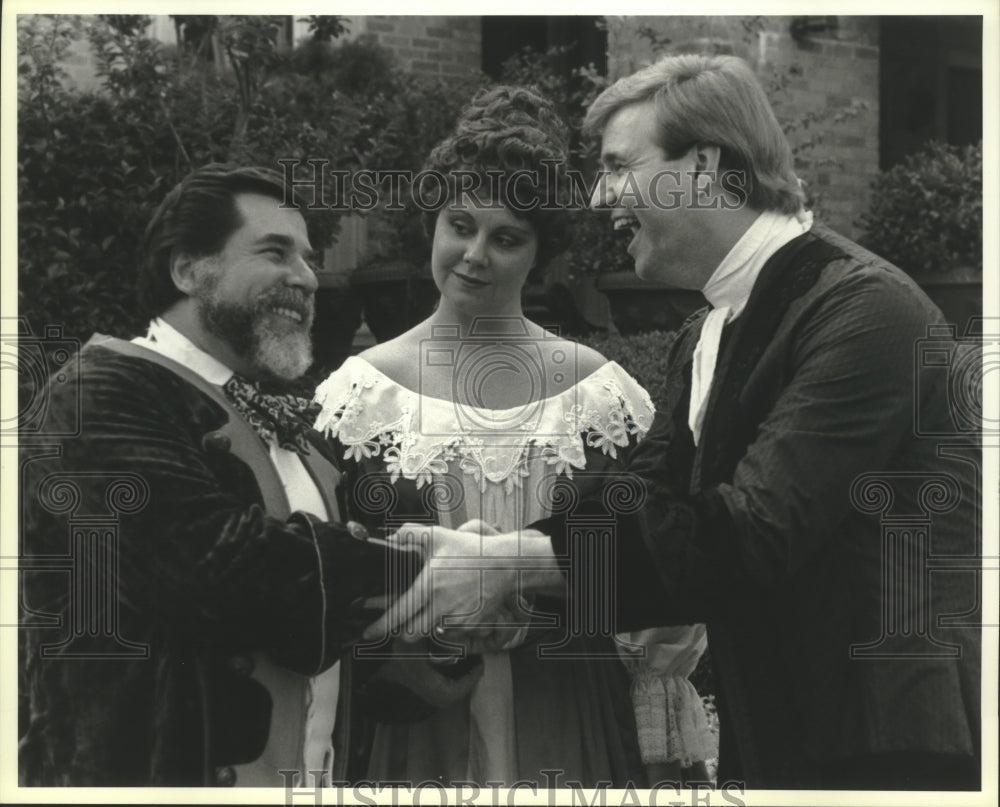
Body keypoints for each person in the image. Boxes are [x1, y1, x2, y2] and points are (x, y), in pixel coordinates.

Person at [373, 55, 982, 790]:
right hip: (780, 733)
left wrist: (509, 563)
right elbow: (646, 508)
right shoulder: (706, 332)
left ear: (702, 166)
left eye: (619, 166)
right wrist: (496, 547)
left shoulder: (865, 308)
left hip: (892, 749)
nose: (601, 196)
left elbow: (752, 530)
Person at [313, 85, 714, 787]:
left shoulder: (601, 396)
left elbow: (658, 556)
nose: (475, 254)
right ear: (431, 224)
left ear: (540, 254)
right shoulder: (356, 394)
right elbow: (326, 567)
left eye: (506, 237)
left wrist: (534, 598)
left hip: (568, 709)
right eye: (459, 225)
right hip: (415, 723)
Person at [18, 165, 421, 787]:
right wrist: (425, 567)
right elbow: (218, 574)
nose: (307, 278)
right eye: (274, 252)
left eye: (309, 259)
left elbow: (315, 630)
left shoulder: (289, 428)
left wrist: (433, 637)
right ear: (187, 269)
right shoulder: (96, 393)